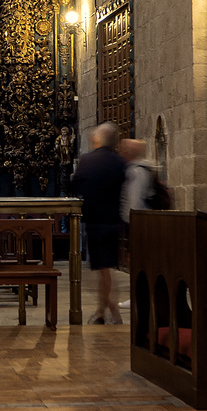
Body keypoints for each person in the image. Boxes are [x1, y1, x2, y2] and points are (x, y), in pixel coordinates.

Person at [76, 121, 126, 324]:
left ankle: (111, 311)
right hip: (113, 222)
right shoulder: (119, 162)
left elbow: (75, 185)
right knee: (106, 268)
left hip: (94, 222)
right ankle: (102, 311)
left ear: (98, 138)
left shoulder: (87, 160)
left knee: (103, 269)